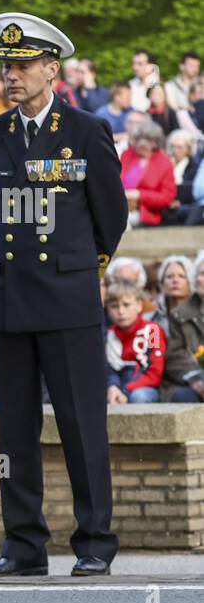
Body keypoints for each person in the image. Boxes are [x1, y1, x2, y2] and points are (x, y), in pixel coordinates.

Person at [0, 13, 126, 579]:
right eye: (6, 67)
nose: (11, 76)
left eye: (21, 65)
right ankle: (22, 544)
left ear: (51, 69)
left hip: (67, 295)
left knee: (81, 424)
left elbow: (112, 214)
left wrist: (85, 267)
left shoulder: (86, 129)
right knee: (13, 429)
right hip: (12, 296)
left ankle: (94, 540)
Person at [105, 281, 164, 404]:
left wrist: (126, 391)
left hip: (145, 387)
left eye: (126, 305)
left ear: (139, 305)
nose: (121, 311)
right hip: (117, 387)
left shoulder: (153, 330)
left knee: (138, 397)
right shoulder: (108, 334)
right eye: (114, 306)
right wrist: (113, 387)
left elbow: (155, 373)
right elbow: (108, 369)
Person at [161, 256, 204, 401]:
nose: (175, 280)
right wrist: (196, 378)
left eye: (181, 276)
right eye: (202, 273)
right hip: (185, 380)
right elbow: (171, 355)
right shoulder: (172, 316)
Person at [120, 121, 177, 226]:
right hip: (117, 203)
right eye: (138, 139)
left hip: (141, 211)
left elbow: (167, 198)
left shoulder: (165, 162)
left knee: (120, 220)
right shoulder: (126, 155)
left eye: (148, 140)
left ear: (156, 142)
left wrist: (139, 194)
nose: (142, 143)